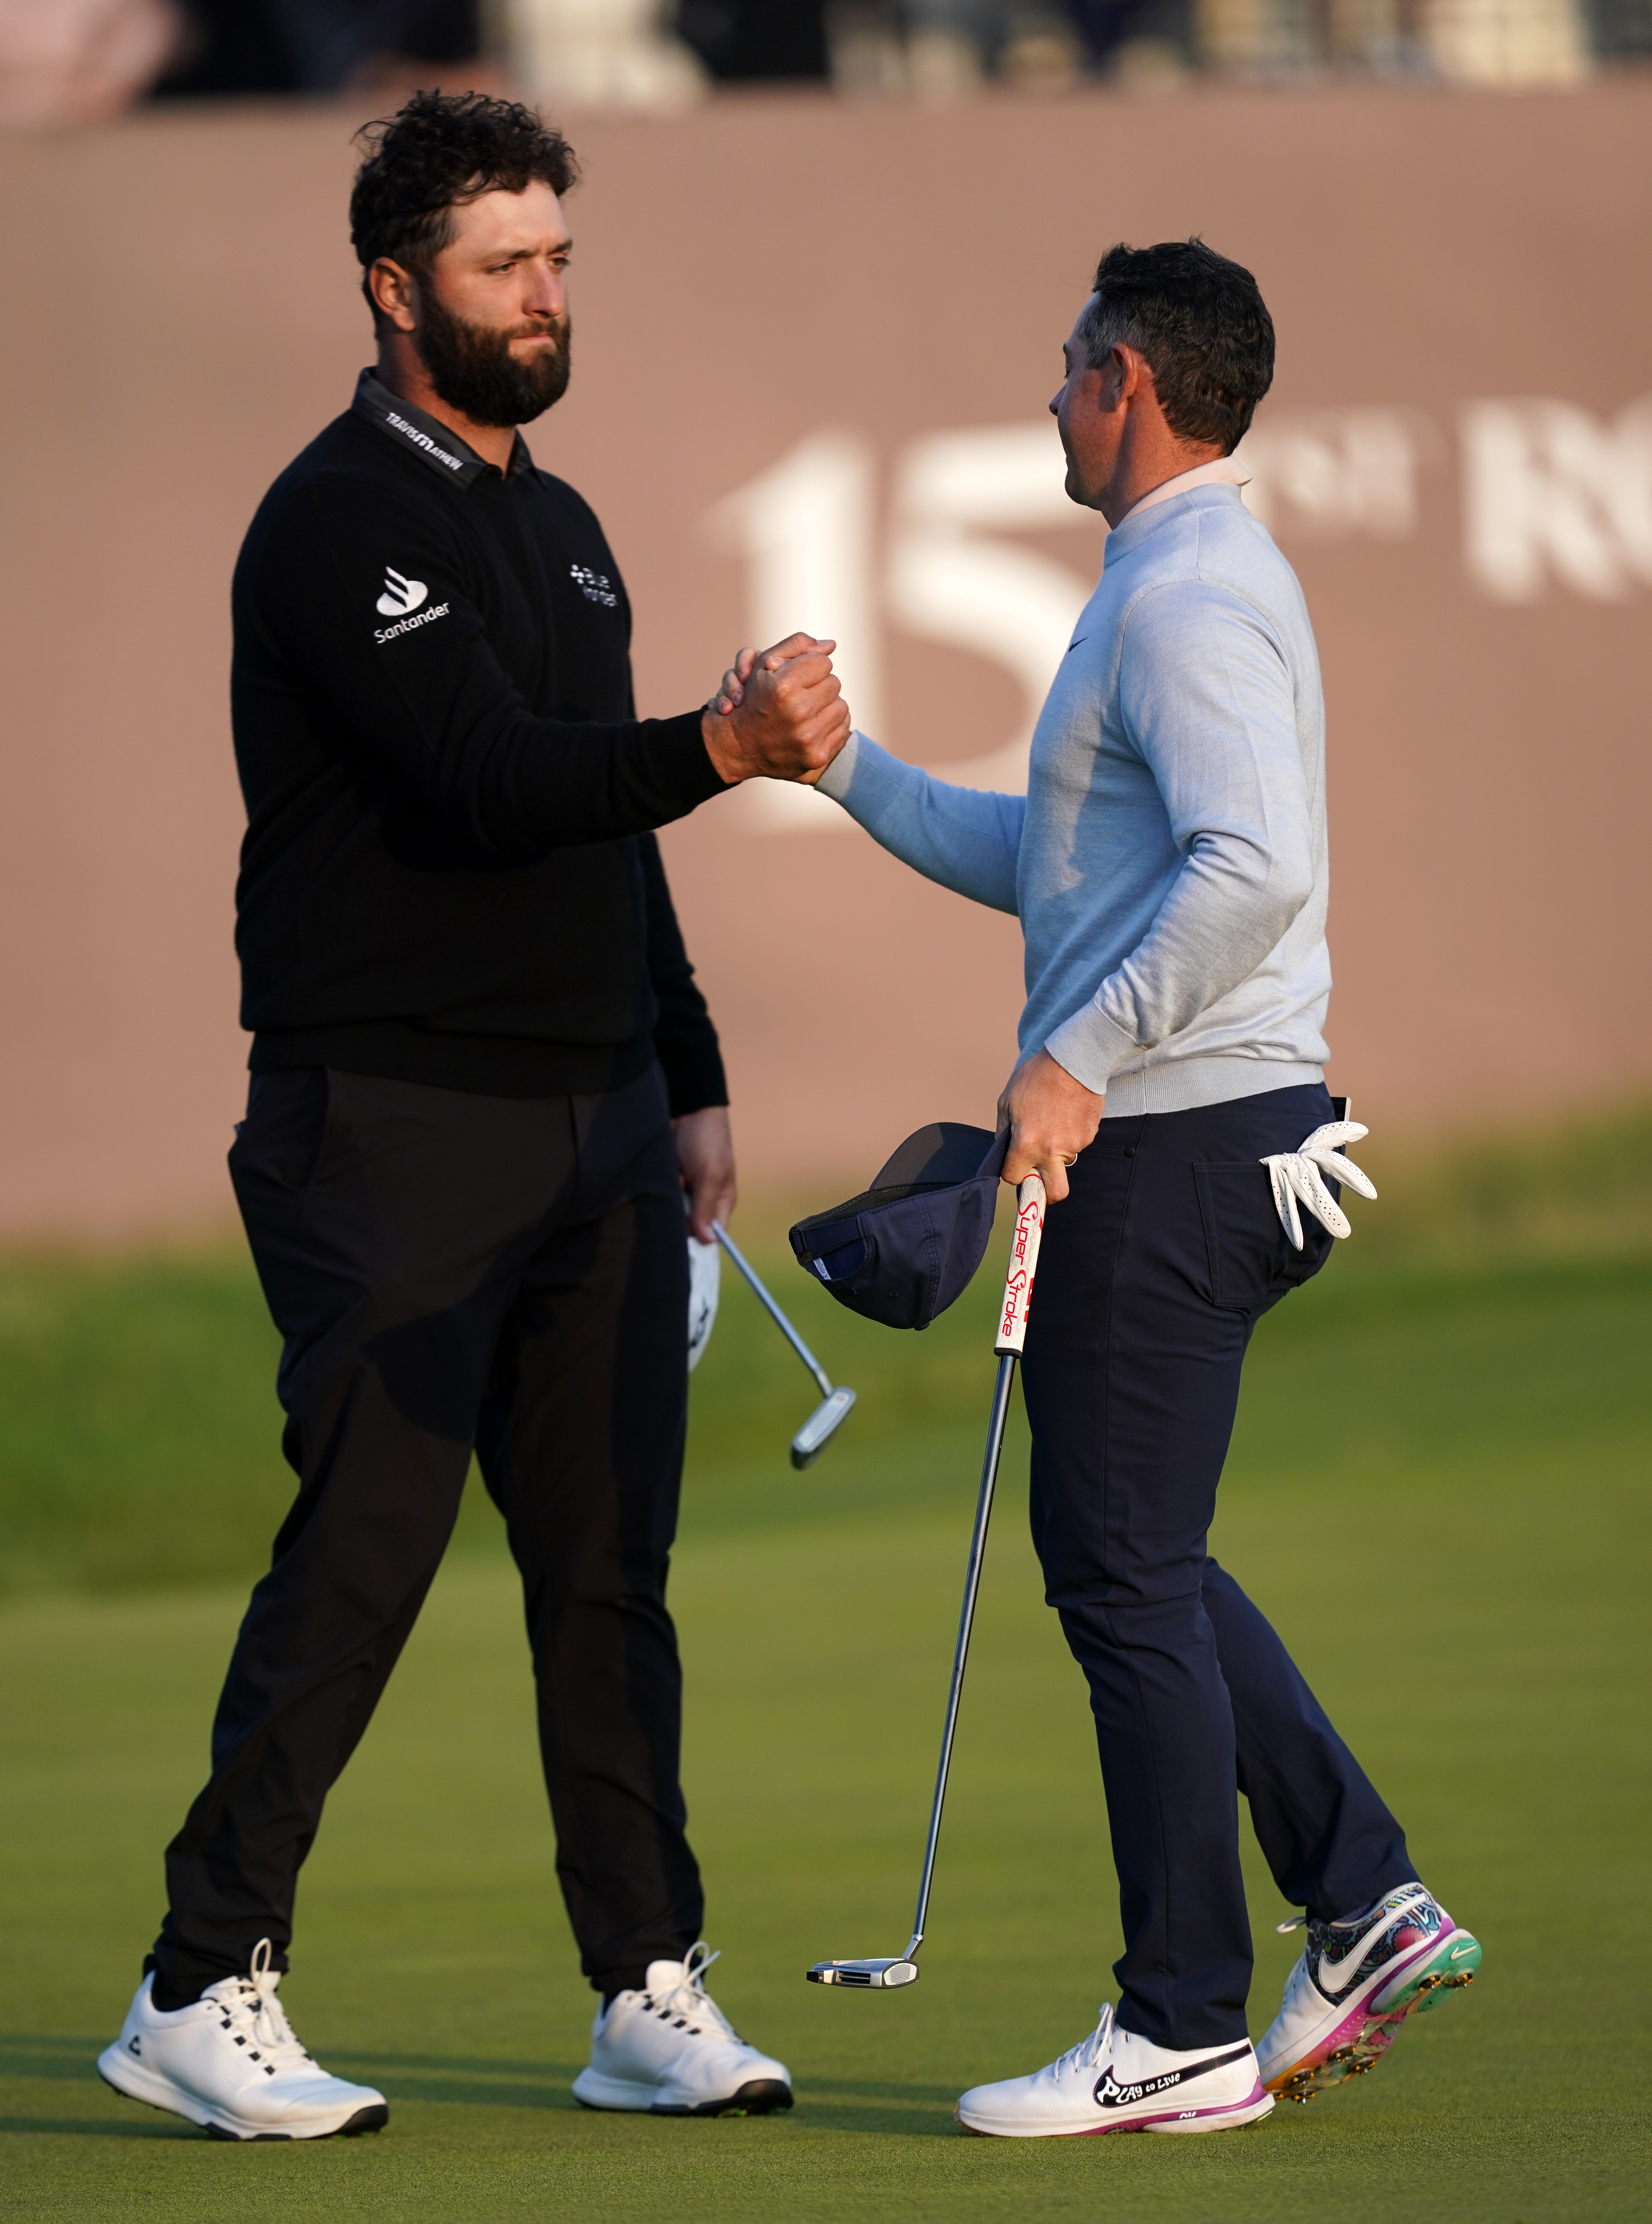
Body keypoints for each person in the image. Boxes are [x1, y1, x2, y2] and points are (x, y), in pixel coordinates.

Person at [96, 88, 848, 2143]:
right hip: (391, 1117)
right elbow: (496, 781)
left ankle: (642, 1985)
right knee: (366, 1546)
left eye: (559, 258)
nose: (544, 295)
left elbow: (606, 851)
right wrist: (714, 739)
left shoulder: (567, 522)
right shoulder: (340, 516)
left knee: (610, 1569)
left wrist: (683, 1072)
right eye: (505, 263)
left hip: (596, 1120)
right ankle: (197, 1981)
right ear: (393, 284)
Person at [724, 238, 1481, 2135]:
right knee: (1130, 1546)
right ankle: (1362, 1888)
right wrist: (849, 774)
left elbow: (1252, 864)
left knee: (1121, 1564)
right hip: (1188, 1126)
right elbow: (1065, 864)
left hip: (1171, 1134)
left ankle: (1183, 2022)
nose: (1049, 396)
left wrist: (1076, 1055)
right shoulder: (1168, 578)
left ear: (1127, 379)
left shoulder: (1191, 588)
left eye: (1066, 367)